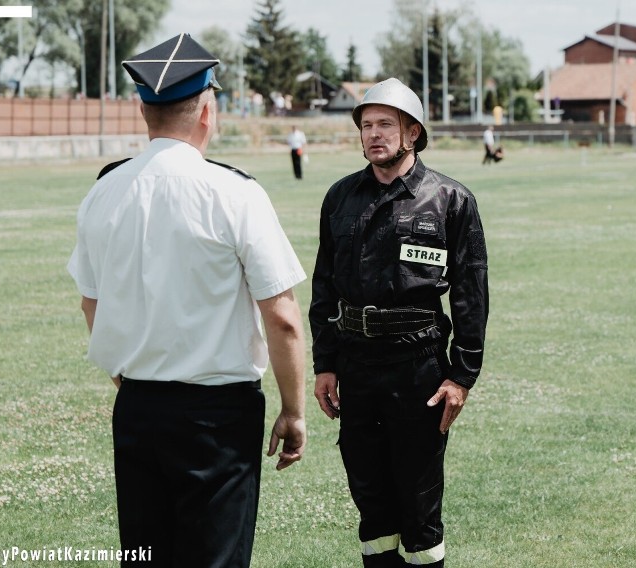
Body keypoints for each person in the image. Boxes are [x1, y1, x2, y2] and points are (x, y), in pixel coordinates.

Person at [67, 33, 307, 568]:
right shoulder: (235, 192)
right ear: (207, 109)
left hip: (137, 405)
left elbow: (91, 303)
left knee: (146, 557)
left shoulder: (103, 191)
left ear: (143, 110)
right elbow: (283, 317)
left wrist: (127, 379)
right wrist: (293, 410)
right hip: (216, 414)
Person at [309, 78, 489, 567]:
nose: (374, 134)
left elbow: (472, 293)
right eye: (366, 125)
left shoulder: (451, 200)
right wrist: (325, 363)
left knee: (419, 503)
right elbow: (323, 285)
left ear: (412, 132)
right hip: (356, 367)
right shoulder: (340, 197)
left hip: (420, 371)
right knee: (370, 501)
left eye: (386, 124)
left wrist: (462, 375)